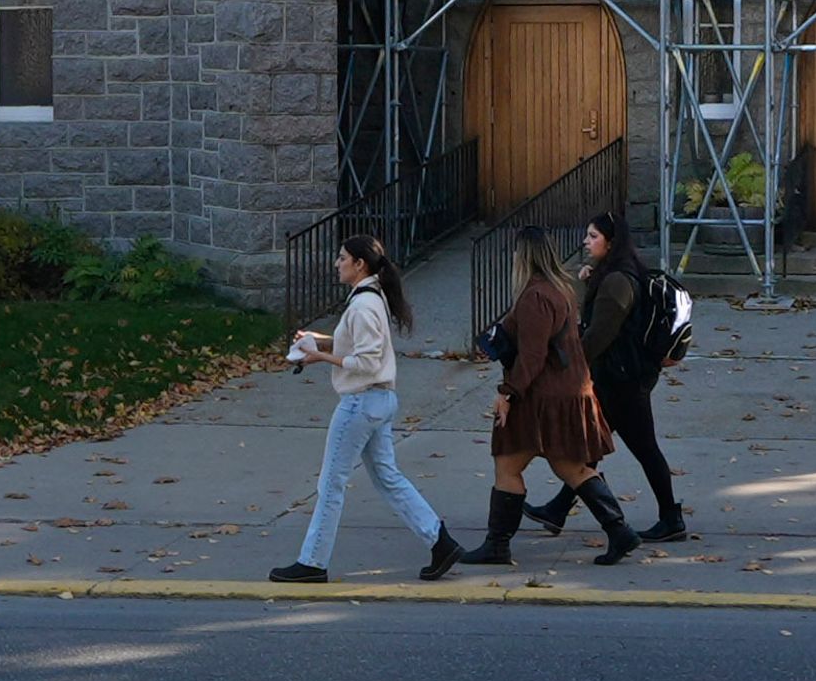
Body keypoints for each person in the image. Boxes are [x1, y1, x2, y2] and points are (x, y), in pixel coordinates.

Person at [269, 231, 459, 585]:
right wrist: (320, 343)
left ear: (360, 264)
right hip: (378, 401)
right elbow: (360, 346)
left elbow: (367, 361)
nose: (336, 263)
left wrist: (320, 355)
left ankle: (312, 562)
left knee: (331, 483)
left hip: (361, 402)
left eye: (342, 258)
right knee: (388, 477)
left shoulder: (364, 304)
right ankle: (440, 541)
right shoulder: (371, 298)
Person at [461, 224, 636, 566]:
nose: (512, 257)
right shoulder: (561, 290)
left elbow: (533, 356)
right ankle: (619, 531)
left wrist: (507, 393)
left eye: (515, 252)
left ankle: (497, 545)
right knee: (571, 467)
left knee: (508, 463)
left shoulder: (536, 296)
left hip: (544, 397)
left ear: (524, 256)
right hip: (569, 391)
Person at [529, 210, 686, 543]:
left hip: (622, 381)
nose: (586, 242)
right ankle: (559, 509)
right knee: (591, 447)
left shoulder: (616, 281)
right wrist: (591, 279)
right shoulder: (615, 274)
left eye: (593, 236)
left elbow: (599, 335)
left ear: (611, 242)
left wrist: (569, 367)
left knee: (643, 449)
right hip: (620, 378)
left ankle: (671, 519)